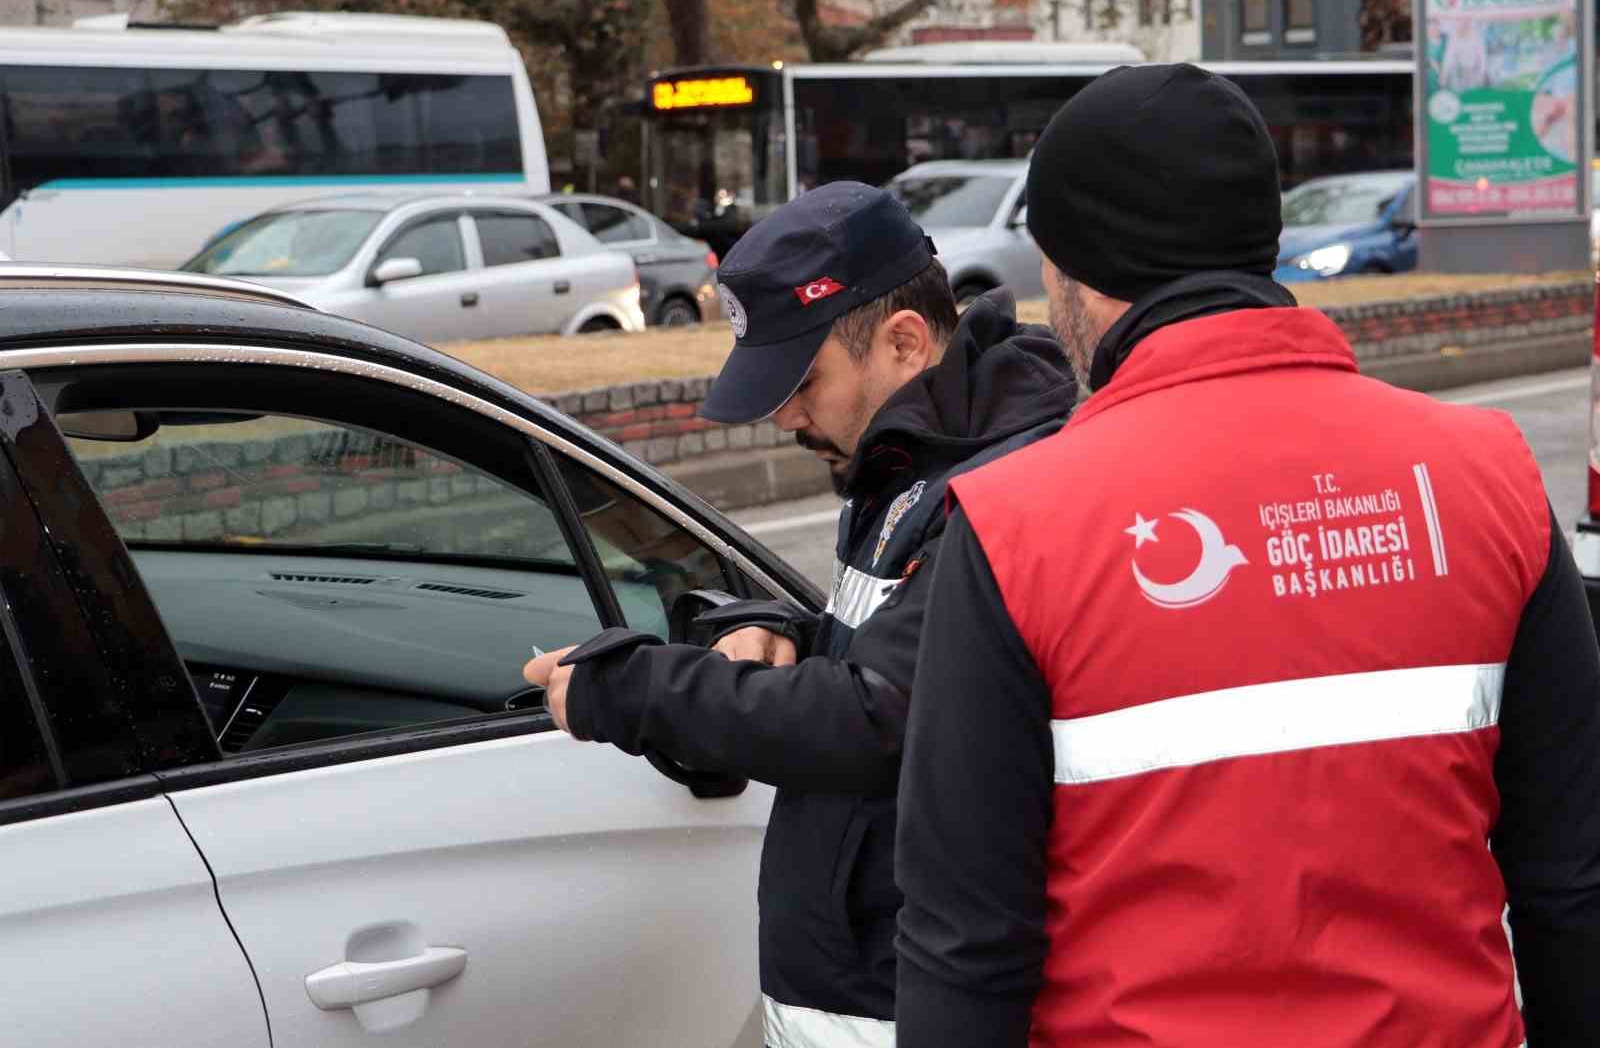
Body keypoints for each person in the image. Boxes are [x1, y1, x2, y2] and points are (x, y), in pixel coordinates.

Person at [895, 63, 1600, 1048]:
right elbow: (1571, 881)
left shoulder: (1017, 526)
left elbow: (963, 946)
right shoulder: (1486, 478)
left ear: (1079, 271)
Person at [524, 180, 1074, 1046]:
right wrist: (780, 630)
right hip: (855, 980)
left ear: (902, 341)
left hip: (911, 1000)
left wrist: (631, 691)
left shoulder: (997, 486)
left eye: (803, 381)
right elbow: (896, 653)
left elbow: (878, 719)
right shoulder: (906, 459)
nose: (785, 414)